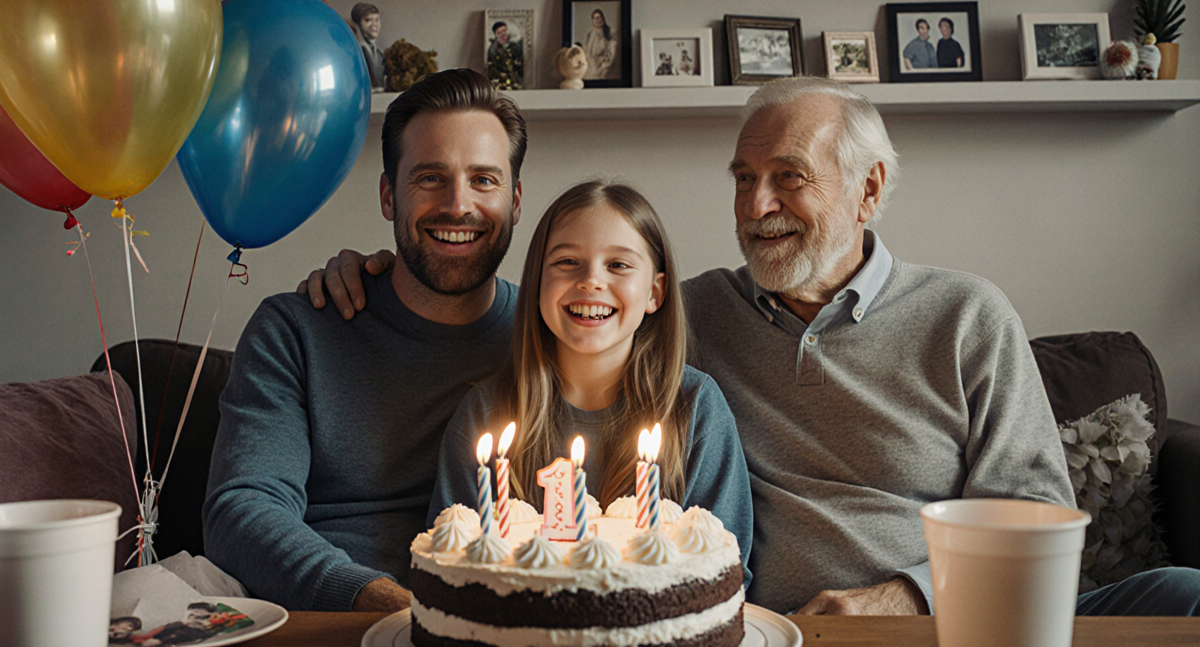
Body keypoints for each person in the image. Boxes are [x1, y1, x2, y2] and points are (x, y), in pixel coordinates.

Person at [302, 77, 1200, 617]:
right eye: (743, 178)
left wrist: (906, 597)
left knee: (1180, 594)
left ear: (870, 188)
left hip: (957, 618)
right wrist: (388, 273)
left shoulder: (966, 316)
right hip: (779, 626)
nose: (757, 204)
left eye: (788, 178)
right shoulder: (688, 317)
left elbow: (1038, 518)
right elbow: (572, 310)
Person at [203, 69, 527, 613]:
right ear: (387, 195)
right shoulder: (297, 331)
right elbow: (242, 509)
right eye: (429, 178)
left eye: (484, 180)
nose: (457, 204)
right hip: (330, 622)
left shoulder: (552, 340)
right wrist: (381, 604)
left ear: (515, 201)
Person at [427, 181, 753, 576]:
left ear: (655, 292)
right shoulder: (487, 412)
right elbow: (450, 559)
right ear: (536, 283)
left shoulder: (695, 406)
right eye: (567, 262)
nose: (591, 281)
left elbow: (725, 568)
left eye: (618, 265)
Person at [351, 2, 385, 91]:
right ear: (358, 23)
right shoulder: (355, 52)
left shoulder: (380, 54)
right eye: (368, 20)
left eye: (377, 20)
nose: (374, 25)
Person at [486, 21, 524, 90]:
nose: (503, 34)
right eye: (499, 33)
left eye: (504, 31)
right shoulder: (493, 50)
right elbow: (491, 68)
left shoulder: (515, 47)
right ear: (496, 35)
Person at [583, 9, 617, 79]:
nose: (598, 20)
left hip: (604, 67)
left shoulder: (609, 33)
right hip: (592, 66)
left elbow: (611, 55)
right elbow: (587, 52)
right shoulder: (590, 34)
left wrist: (603, 66)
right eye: (595, 18)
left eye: (599, 17)